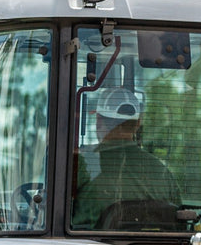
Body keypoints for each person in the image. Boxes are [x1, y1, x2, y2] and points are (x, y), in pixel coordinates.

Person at [72, 86, 181, 228]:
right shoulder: (162, 173)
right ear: (137, 124)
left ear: (98, 120)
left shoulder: (80, 164)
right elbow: (179, 222)